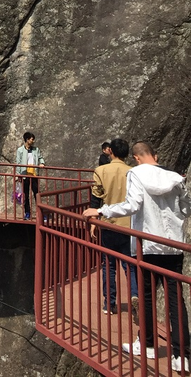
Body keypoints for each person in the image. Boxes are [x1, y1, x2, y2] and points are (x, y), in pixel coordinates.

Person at [84, 141, 191, 371]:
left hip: (148, 245)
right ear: (156, 155)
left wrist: (101, 211)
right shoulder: (174, 177)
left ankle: (148, 345)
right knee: (175, 300)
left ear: (137, 158)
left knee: (147, 297)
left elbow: (133, 204)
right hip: (173, 245)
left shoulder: (136, 174)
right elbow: (186, 207)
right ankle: (181, 356)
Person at [88, 138, 138, 315]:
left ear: (111, 152)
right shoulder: (133, 172)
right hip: (129, 225)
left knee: (108, 265)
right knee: (130, 265)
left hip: (108, 224)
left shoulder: (101, 170)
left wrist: (94, 220)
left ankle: (109, 304)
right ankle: (134, 295)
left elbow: (96, 198)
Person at [16, 132, 45, 220]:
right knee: (26, 195)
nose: (33, 141)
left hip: (34, 175)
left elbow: (40, 157)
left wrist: (42, 163)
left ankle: (40, 213)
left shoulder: (36, 149)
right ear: (27, 140)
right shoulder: (20, 150)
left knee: (37, 194)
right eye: (32, 139)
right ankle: (27, 213)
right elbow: (18, 162)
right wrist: (18, 175)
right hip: (25, 175)